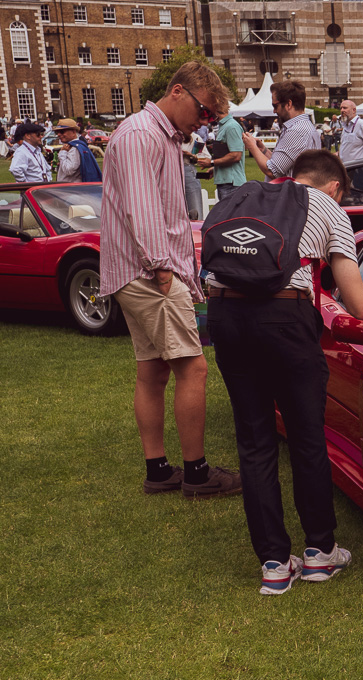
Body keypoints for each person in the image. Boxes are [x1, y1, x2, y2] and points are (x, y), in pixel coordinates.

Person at [206, 149, 363, 595]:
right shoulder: (328, 207)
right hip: (285, 318)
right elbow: (356, 302)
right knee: (307, 436)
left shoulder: (240, 196)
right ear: (334, 187)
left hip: (227, 317)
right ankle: (319, 552)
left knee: (254, 442)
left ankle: (274, 564)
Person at [100, 61, 242, 499]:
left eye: (211, 118)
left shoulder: (153, 134)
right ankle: (196, 473)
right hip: (150, 273)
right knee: (193, 367)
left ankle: (159, 469)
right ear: (177, 92)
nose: (204, 122)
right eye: (203, 112)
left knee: (153, 370)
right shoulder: (143, 134)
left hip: (139, 271)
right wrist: (163, 271)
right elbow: (143, 211)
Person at [243, 80, 319, 179]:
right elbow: (282, 164)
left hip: (291, 193)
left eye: (275, 105)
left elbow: (273, 171)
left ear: (289, 104)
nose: (274, 111)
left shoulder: (296, 131)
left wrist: (252, 146)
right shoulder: (302, 126)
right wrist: (264, 150)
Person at [204, 111, 246, 200]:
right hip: (227, 184)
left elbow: (236, 155)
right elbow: (227, 154)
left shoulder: (231, 127)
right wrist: (215, 168)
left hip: (231, 185)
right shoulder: (225, 126)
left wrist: (212, 163)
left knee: (231, 214)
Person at [52, 118, 101, 182]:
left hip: (71, 189)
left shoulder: (74, 148)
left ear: (73, 132)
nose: (58, 134)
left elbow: (68, 170)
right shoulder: (80, 146)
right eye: (57, 132)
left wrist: (62, 153)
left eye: (62, 132)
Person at [337, 99, 363, 163]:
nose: (342, 110)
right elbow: (347, 147)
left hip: (358, 169)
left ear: (354, 110)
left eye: (345, 108)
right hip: (347, 168)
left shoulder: (361, 124)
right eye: (341, 108)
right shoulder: (346, 126)